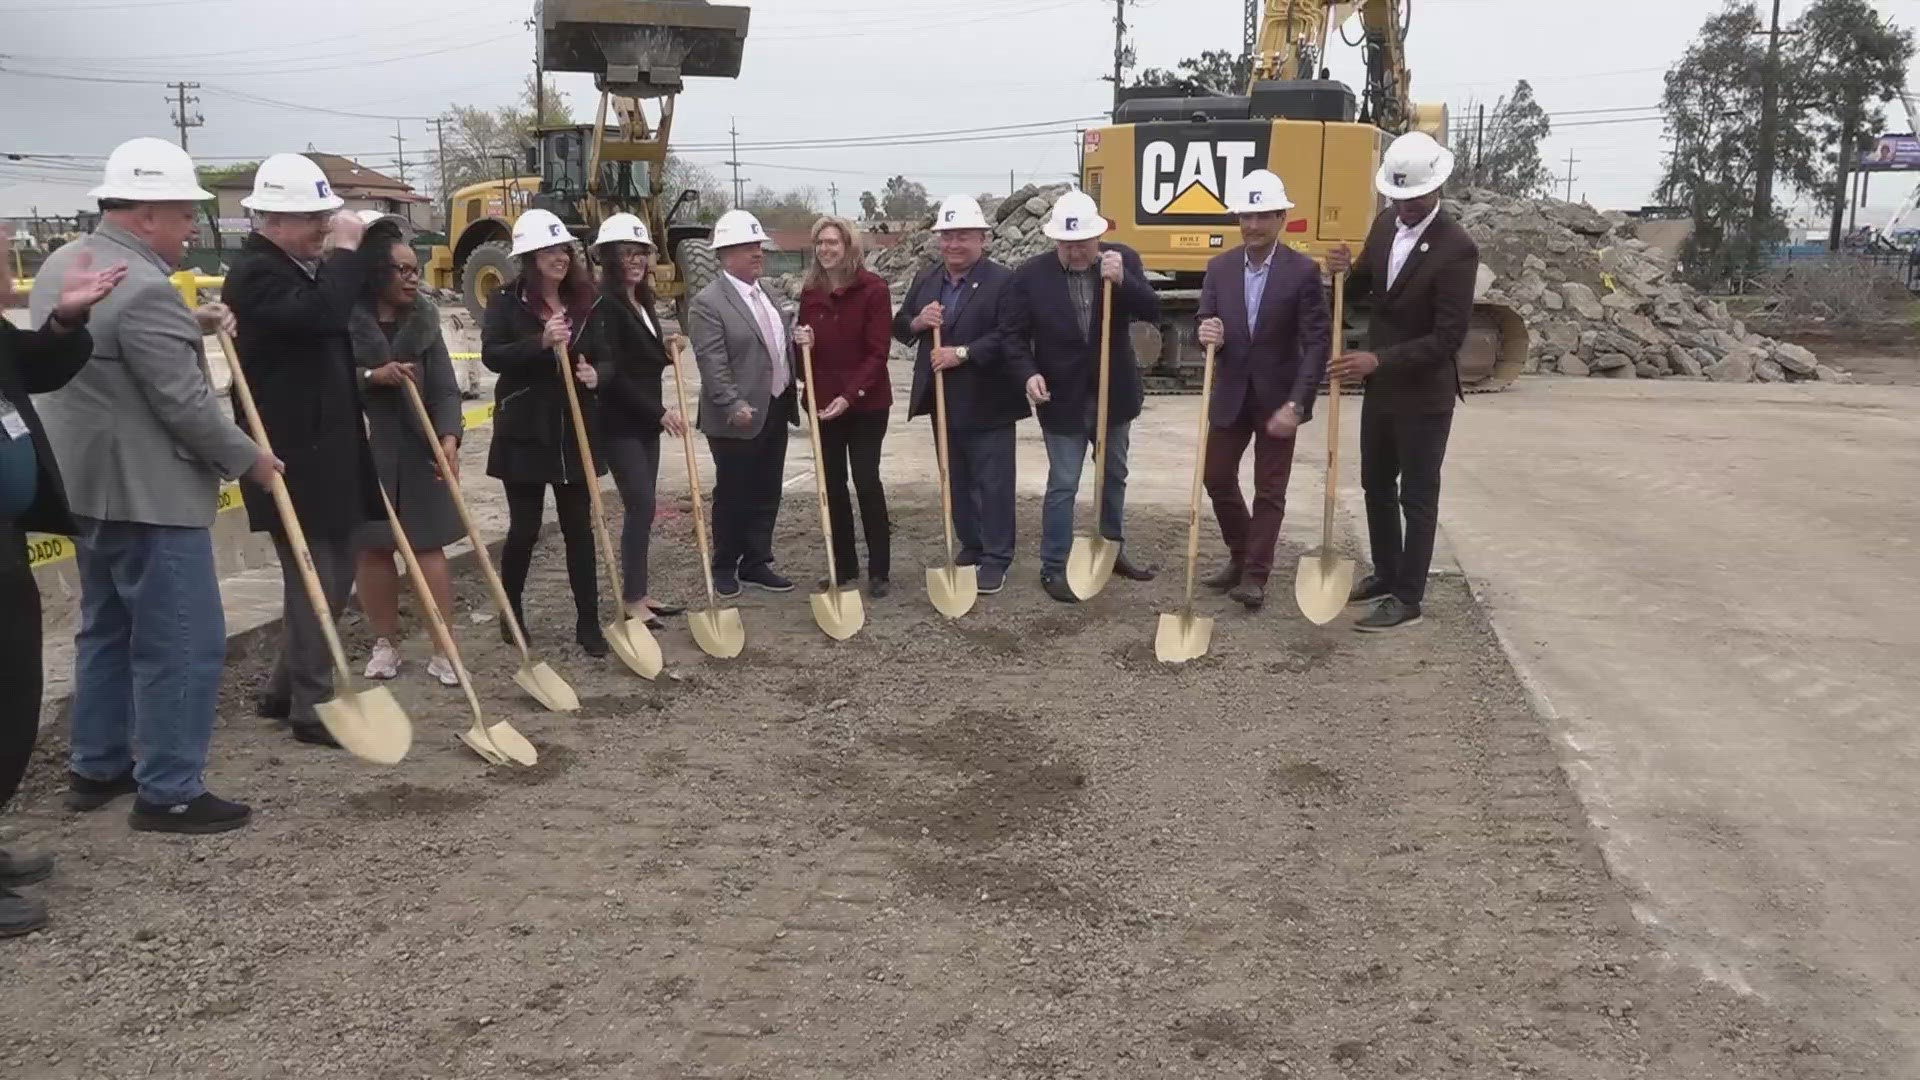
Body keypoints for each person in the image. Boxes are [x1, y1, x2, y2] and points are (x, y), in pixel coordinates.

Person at [31, 138, 278, 835]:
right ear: (144, 215)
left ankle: (97, 762)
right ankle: (169, 787)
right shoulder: (143, 290)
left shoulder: (63, 265)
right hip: (149, 493)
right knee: (179, 638)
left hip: (83, 489)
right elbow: (185, 407)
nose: (191, 228)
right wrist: (250, 458)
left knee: (105, 627)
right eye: (181, 215)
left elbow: (103, 344)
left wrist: (186, 322)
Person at [224, 152, 383, 744]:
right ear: (275, 220)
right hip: (292, 453)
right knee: (317, 576)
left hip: (326, 449)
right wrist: (343, 253)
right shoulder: (258, 276)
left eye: (326, 216)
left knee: (328, 573)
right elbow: (319, 318)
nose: (324, 226)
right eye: (313, 217)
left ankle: (285, 684)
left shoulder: (298, 268)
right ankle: (311, 705)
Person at [2, 223, 125, 934]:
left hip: (7, 541)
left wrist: (66, 319)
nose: (12, 267)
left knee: (13, 695)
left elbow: (36, 368)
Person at [1326, 131, 1479, 632]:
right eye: (1397, 198)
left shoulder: (1457, 249)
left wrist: (1379, 361)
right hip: (1383, 391)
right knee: (1375, 484)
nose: (1404, 208)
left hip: (1423, 394)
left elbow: (1447, 338)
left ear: (1435, 190)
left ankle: (1408, 597)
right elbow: (1370, 284)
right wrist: (1344, 272)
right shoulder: (1386, 224)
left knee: (1417, 494)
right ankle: (1387, 573)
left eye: (1413, 200)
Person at [1003, 190, 1160, 603]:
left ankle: (1112, 547)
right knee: (1064, 483)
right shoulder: (1030, 276)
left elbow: (1152, 310)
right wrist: (1028, 373)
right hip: (1062, 397)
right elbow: (1013, 337)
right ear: (1055, 240)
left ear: (1098, 236)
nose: (1075, 252)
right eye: (1067, 245)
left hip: (1115, 393)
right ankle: (1054, 565)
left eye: (1083, 244)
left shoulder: (1121, 258)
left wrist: (1123, 281)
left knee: (1113, 476)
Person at [1195, 170, 1330, 610]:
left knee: (1269, 489)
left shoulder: (1303, 272)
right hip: (1231, 393)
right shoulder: (1218, 268)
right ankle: (1241, 553)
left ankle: (1255, 575)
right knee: (1215, 476)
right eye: (1246, 216)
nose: (1253, 225)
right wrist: (1207, 332)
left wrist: (1299, 402)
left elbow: (1315, 344)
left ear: (1281, 218)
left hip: (1279, 399)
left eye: (1262, 216)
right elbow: (1206, 321)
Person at [480, 209, 611, 656]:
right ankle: (511, 611)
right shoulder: (505, 301)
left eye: (565, 249)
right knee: (525, 530)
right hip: (526, 429)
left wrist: (598, 373)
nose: (561, 257)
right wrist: (539, 343)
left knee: (580, 528)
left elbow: (608, 355)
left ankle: (588, 623)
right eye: (550, 250)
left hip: (575, 429)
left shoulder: (586, 301)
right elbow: (493, 356)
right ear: (530, 258)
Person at [348, 216, 465, 684]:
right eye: (402, 269)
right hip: (368, 450)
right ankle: (385, 644)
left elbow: (446, 390)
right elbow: (329, 383)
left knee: (427, 547)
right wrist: (372, 377)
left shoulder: (425, 322)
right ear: (377, 272)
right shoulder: (347, 324)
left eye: (415, 269)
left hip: (419, 450)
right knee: (374, 551)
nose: (413, 277)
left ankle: (444, 646)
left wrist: (449, 438)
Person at [893, 194, 1025, 596]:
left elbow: (1010, 336)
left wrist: (963, 353)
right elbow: (899, 327)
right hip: (943, 400)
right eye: (947, 236)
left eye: (962, 236)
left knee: (994, 481)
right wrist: (918, 321)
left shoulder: (1004, 281)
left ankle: (997, 557)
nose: (953, 244)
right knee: (956, 478)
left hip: (989, 398)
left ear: (983, 238)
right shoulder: (928, 279)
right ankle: (971, 544)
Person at [687, 209, 812, 598]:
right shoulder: (708, 303)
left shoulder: (768, 293)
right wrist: (731, 403)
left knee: (767, 488)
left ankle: (756, 560)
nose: (757, 253)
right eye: (747, 247)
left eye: (758, 245)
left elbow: (775, 346)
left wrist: (799, 344)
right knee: (734, 491)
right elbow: (712, 361)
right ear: (724, 255)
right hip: (736, 416)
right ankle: (725, 564)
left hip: (774, 406)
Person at [583, 213, 684, 630]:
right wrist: (660, 413)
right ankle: (630, 598)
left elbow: (643, 360)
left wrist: (669, 348)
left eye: (640, 252)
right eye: (626, 254)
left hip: (645, 423)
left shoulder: (642, 303)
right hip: (622, 422)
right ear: (608, 259)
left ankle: (640, 592)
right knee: (640, 504)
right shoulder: (606, 305)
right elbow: (617, 375)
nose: (636, 261)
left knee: (644, 509)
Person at [796, 215, 893, 597]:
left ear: (849, 246)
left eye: (833, 242)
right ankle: (844, 563)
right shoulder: (811, 292)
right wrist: (800, 340)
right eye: (820, 243)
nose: (826, 249)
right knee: (832, 485)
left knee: (866, 480)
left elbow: (877, 353)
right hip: (822, 403)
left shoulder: (873, 290)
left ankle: (879, 569)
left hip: (866, 404)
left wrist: (849, 396)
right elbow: (804, 351)